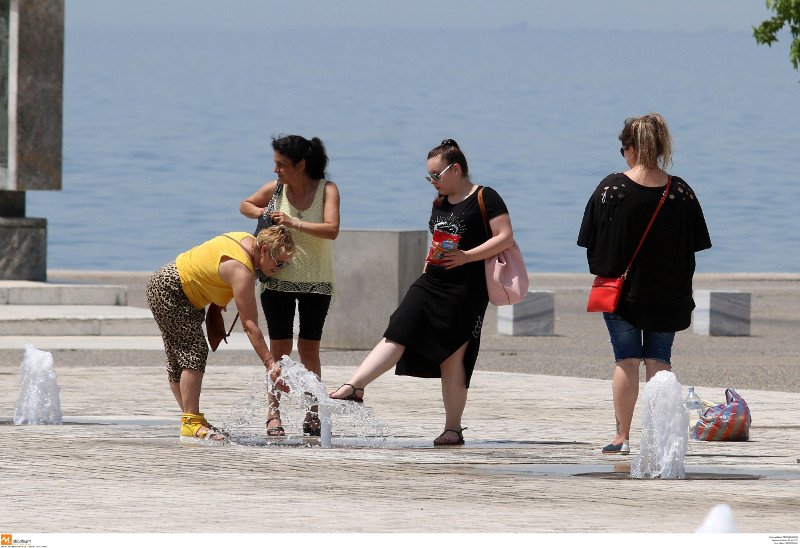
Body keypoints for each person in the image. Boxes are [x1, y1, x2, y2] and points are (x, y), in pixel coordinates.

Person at [329, 139, 515, 446]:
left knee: (453, 357)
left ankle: (452, 429)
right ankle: (355, 385)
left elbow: (505, 237)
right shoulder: (439, 202)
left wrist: (467, 256)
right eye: (429, 177)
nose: (433, 182)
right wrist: (427, 270)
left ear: (455, 169)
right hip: (431, 281)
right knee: (398, 330)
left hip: (466, 290)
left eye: (436, 176)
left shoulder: (485, 196)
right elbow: (438, 242)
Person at [577, 113, 712, 455]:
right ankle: (660, 438)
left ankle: (621, 437)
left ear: (632, 149)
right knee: (659, 361)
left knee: (626, 360)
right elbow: (696, 244)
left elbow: (590, 242)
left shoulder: (610, 189)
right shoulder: (680, 191)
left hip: (621, 292)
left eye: (623, 148)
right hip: (670, 294)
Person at [146, 226, 295, 445]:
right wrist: (271, 364)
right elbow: (250, 325)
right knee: (193, 352)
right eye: (278, 263)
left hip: (167, 282)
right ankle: (191, 423)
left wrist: (217, 299)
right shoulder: (241, 270)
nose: (280, 269)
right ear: (264, 250)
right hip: (173, 290)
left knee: (178, 359)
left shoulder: (245, 239)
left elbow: (211, 263)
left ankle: (192, 420)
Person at [239, 135, 340, 437]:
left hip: (317, 281)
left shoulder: (327, 190)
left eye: (281, 165)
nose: (276, 171)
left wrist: (293, 222)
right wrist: (261, 213)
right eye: (275, 164)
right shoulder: (276, 190)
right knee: (279, 349)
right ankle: (274, 413)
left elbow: (332, 230)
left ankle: (313, 411)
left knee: (309, 349)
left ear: (301, 164)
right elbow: (244, 204)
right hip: (277, 279)